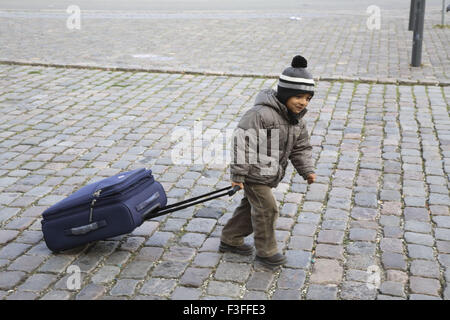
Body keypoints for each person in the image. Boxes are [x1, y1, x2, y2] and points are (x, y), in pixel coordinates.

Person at [219, 55, 316, 268]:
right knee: (267, 208)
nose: (303, 102)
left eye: (308, 98)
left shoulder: (296, 120)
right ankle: (266, 251)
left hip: (269, 173)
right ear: (285, 94)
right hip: (254, 173)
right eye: (298, 96)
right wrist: (238, 175)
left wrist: (307, 170)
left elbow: (301, 148)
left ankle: (230, 238)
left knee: (251, 207)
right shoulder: (260, 114)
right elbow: (242, 143)